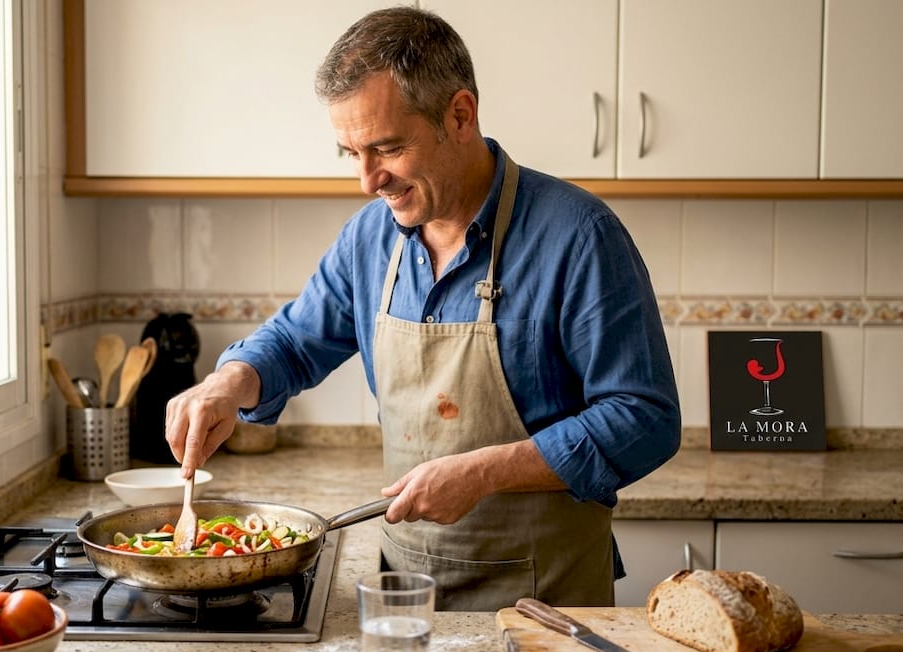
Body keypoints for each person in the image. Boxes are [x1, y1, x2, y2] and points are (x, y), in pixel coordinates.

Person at [165, 6, 680, 611]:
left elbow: (645, 418)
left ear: (460, 115)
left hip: (548, 605)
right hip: (406, 597)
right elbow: (295, 341)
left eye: (386, 147)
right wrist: (229, 382)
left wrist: (485, 472)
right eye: (349, 153)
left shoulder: (580, 235)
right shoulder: (370, 238)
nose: (367, 180)